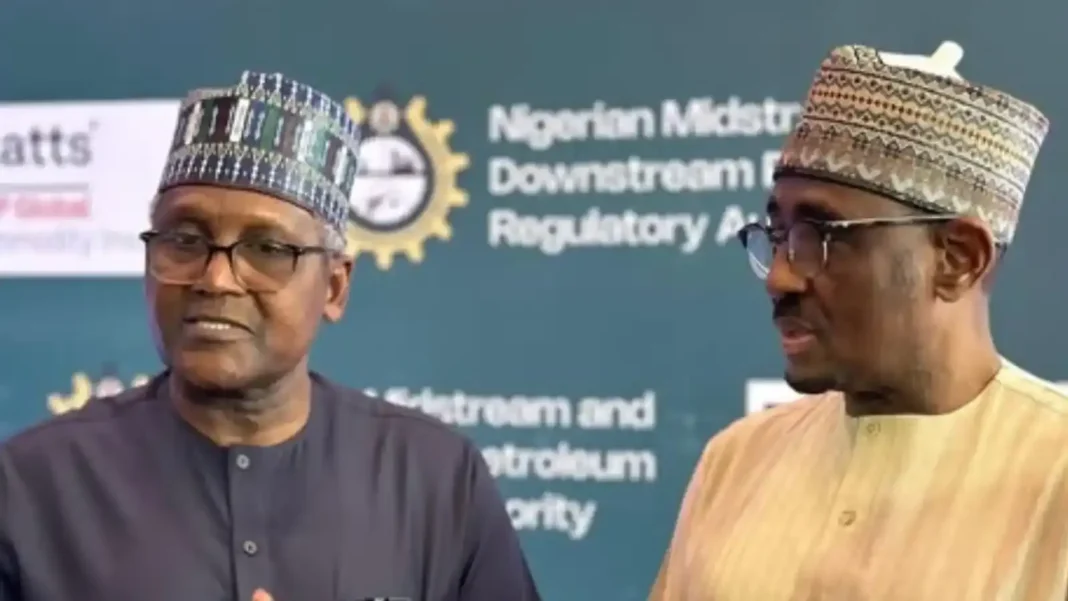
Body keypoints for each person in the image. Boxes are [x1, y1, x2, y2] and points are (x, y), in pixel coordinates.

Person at [0, 72, 541, 601]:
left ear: (334, 287)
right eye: (185, 240)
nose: (216, 279)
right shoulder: (31, 486)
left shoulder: (435, 481)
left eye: (267, 249)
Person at [649, 41, 1068, 600]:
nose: (780, 278)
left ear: (958, 258)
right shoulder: (736, 460)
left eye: (820, 237)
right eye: (778, 235)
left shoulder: (1056, 472)